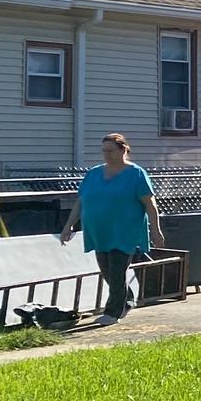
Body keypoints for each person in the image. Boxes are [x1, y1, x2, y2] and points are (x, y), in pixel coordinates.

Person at [58, 132, 165, 325]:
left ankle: (112, 312)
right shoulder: (93, 174)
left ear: (123, 150)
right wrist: (68, 225)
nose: (106, 155)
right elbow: (80, 202)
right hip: (99, 231)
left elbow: (150, 204)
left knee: (116, 271)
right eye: (104, 151)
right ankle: (127, 300)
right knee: (107, 270)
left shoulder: (136, 173)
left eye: (110, 151)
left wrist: (155, 230)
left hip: (125, 231)